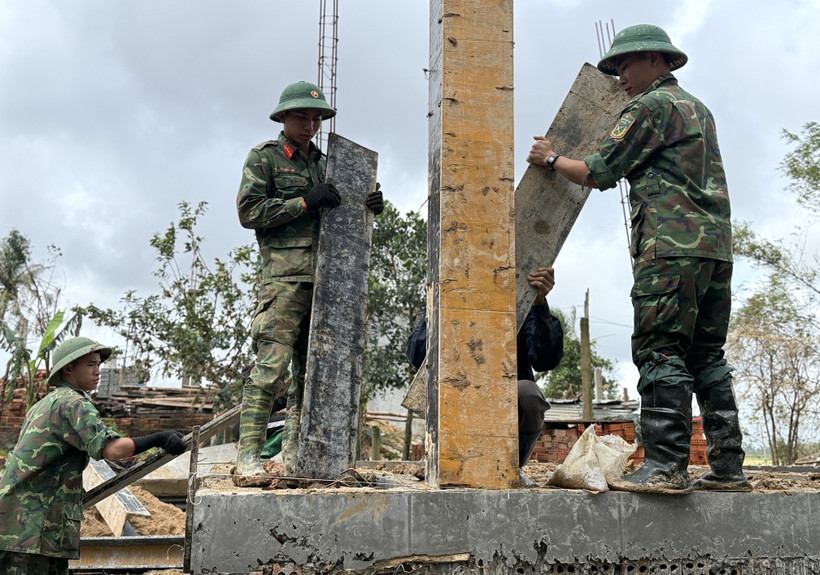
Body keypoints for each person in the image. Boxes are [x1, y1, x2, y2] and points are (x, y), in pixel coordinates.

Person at [526, 24, 749, 494]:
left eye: (625, 65)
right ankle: (729, 468)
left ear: (656, 60)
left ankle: (666, 466)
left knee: (660, 348)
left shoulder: (649, 107)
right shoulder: (698, 108)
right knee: (707, 354)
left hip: (670, 250)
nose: (619, 76)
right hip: (715, 251)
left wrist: (550, 158)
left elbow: (597, 171)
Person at [235, 81, 384, 485]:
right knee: (270, 369)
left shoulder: (327, 162)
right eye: (302, 116)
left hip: (329, 282)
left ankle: (293, 459)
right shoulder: (264, 157)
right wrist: (304, 201)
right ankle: (247, 460)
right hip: (285, 279)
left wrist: (367, 206)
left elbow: (343, 212)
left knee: (310, 376)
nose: (311, 124)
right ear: (283, 117)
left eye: (316, 117)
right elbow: (249, 212)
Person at [0, 337, 187, 574]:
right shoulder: (72, 403)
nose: (98, 372)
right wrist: (158, 439)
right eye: (90, 365)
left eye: (99, 365)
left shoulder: (47, 402)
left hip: (21, 524)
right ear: (68, 368)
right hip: (33, 528)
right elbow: (112, 449)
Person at [406, 267, 564, 486]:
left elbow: (546, 360)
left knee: (529, 395)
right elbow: (417, 355)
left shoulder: (517, 305)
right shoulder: (451, 300)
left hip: (505, 403)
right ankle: (447, 465)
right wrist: (440, 304)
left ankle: (511, 469)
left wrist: (538, 304)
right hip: (461, 399)